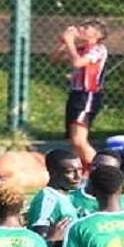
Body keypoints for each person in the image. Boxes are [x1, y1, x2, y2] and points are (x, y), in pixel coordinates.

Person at [50, 19, 109, 167]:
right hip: (76, 94)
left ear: (96, 34)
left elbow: (78, 62)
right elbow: (54, 58)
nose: (81, 29)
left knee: (79, 139)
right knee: (73, 139)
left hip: (87, 94)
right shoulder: (81, 48)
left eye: (86, 27)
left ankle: (103, 169)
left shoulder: (98, 49)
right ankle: (88, 169)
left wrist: (70, 42)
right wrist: (63, 43)